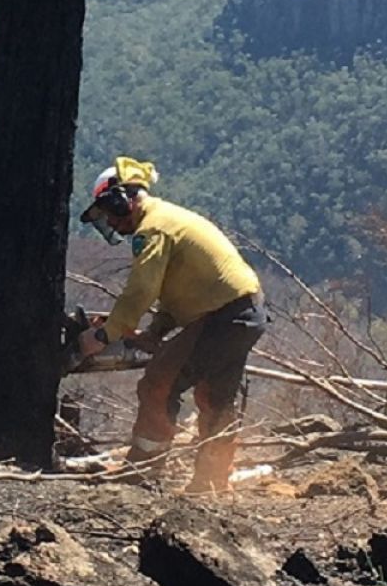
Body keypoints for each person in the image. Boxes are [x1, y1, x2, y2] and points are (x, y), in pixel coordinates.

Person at [78, 157, 265, 492]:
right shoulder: (168, 219)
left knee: (158, 386)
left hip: (222, 317)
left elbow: (141, 290)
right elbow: (176, 291)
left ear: (124, 199)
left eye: (109, 211)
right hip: (245, 312)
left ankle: (142, 474)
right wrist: (155, 331)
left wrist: (105, 334)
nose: (110, 221)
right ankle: (211, 484)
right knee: (215, 396)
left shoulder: (153, 229)